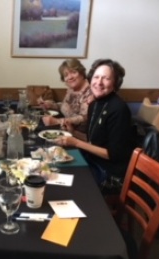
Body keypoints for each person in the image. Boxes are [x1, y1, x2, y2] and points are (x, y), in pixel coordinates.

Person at [54, 59, 135, 190]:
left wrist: (75, 142)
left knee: (64, 184)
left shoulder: (119, 109)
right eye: (96, 77)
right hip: (92, 161)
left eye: (106, 78)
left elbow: (113, 154)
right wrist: (73, 133)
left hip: (109, 174)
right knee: (53, 167)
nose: (99, 82)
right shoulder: (94, 103)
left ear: (115, 83)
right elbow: (93, 140)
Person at [40, 58, 94, 135]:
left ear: (82, 73)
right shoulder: (72, 89)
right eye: (66, 75)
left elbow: (84, 118)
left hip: (81, 137)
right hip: (65, 131)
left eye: (73, 72)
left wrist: (57, 121)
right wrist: (51, 105)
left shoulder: (90, 91)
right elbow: (66, 107)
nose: (70, 77)